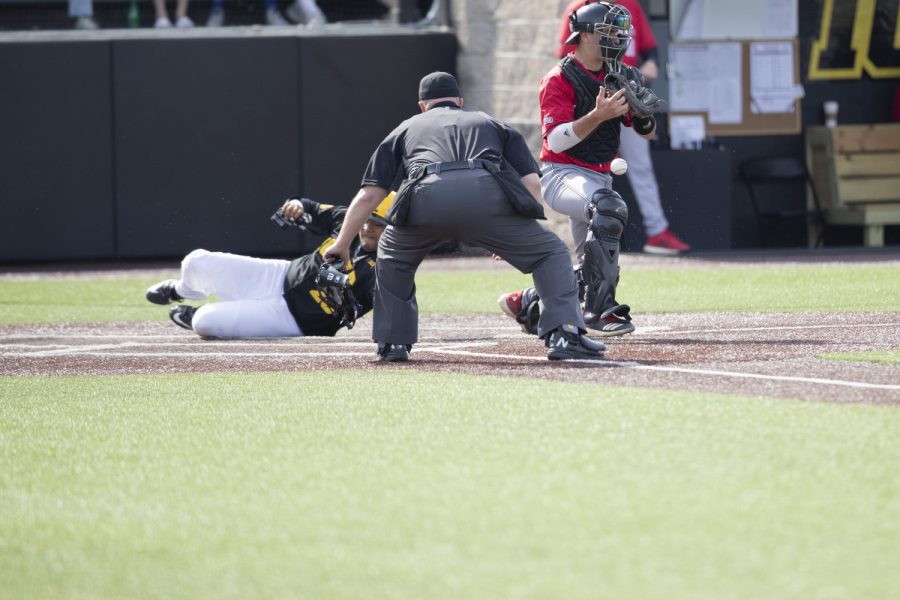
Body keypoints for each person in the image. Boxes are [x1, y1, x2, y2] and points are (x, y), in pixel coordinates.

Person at [322, 71, 604, 363]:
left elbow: (370, 195)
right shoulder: (490, 122)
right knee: (551, 253)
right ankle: (564, 334)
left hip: (424, 199)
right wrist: (513, 236)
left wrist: (342, 243)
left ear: (422, 106)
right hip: (486, 199)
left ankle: (392, 342)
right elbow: (533, 184)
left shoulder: (406, 127)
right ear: (459, 101)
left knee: (392, 257)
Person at [499, 1, 650, 339]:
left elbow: (647, 132)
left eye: (618, 31)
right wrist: (598, 115)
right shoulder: (558, 77)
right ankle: (599, 313)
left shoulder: (619, 74)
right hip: (562, 174)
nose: (617, 38)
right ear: (584, 36)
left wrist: (643, 114)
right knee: (610, 208)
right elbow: (556, 140)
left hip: (600, 175)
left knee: (590, 264)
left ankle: (529, 303)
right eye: (608, 31)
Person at [144, 194, 393, 338]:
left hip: (295, 319)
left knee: (205, 320)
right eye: (366, 218)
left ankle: (197, 313)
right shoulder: (348, 220)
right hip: (279, 275)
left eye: (377, 223)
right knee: (196, 261)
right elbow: (310, 208)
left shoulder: (386, 267)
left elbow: (387, 308)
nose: (367, 227)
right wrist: (296, 206)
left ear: (393, 227)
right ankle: (183, 291)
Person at [558, 0, 689, 255]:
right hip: (590, 101)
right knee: (583, 167)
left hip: (626, 93)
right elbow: (565, 56)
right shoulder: (580, 8)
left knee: (641, 166)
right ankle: (592, 245)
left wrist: (651, 62)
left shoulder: (630, 6)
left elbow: (650, 49)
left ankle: (657, 231)